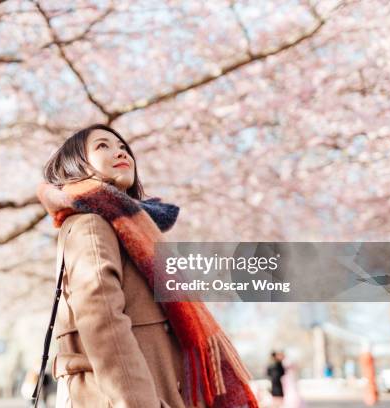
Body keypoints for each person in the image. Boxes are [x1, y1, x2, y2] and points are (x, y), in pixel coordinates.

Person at [36, 124, 258, 408]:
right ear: (75, 163)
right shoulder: (90, 224)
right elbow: (102, 319)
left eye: (122, 146)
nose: (119, 151)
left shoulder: (132, 228)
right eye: (102, 146)